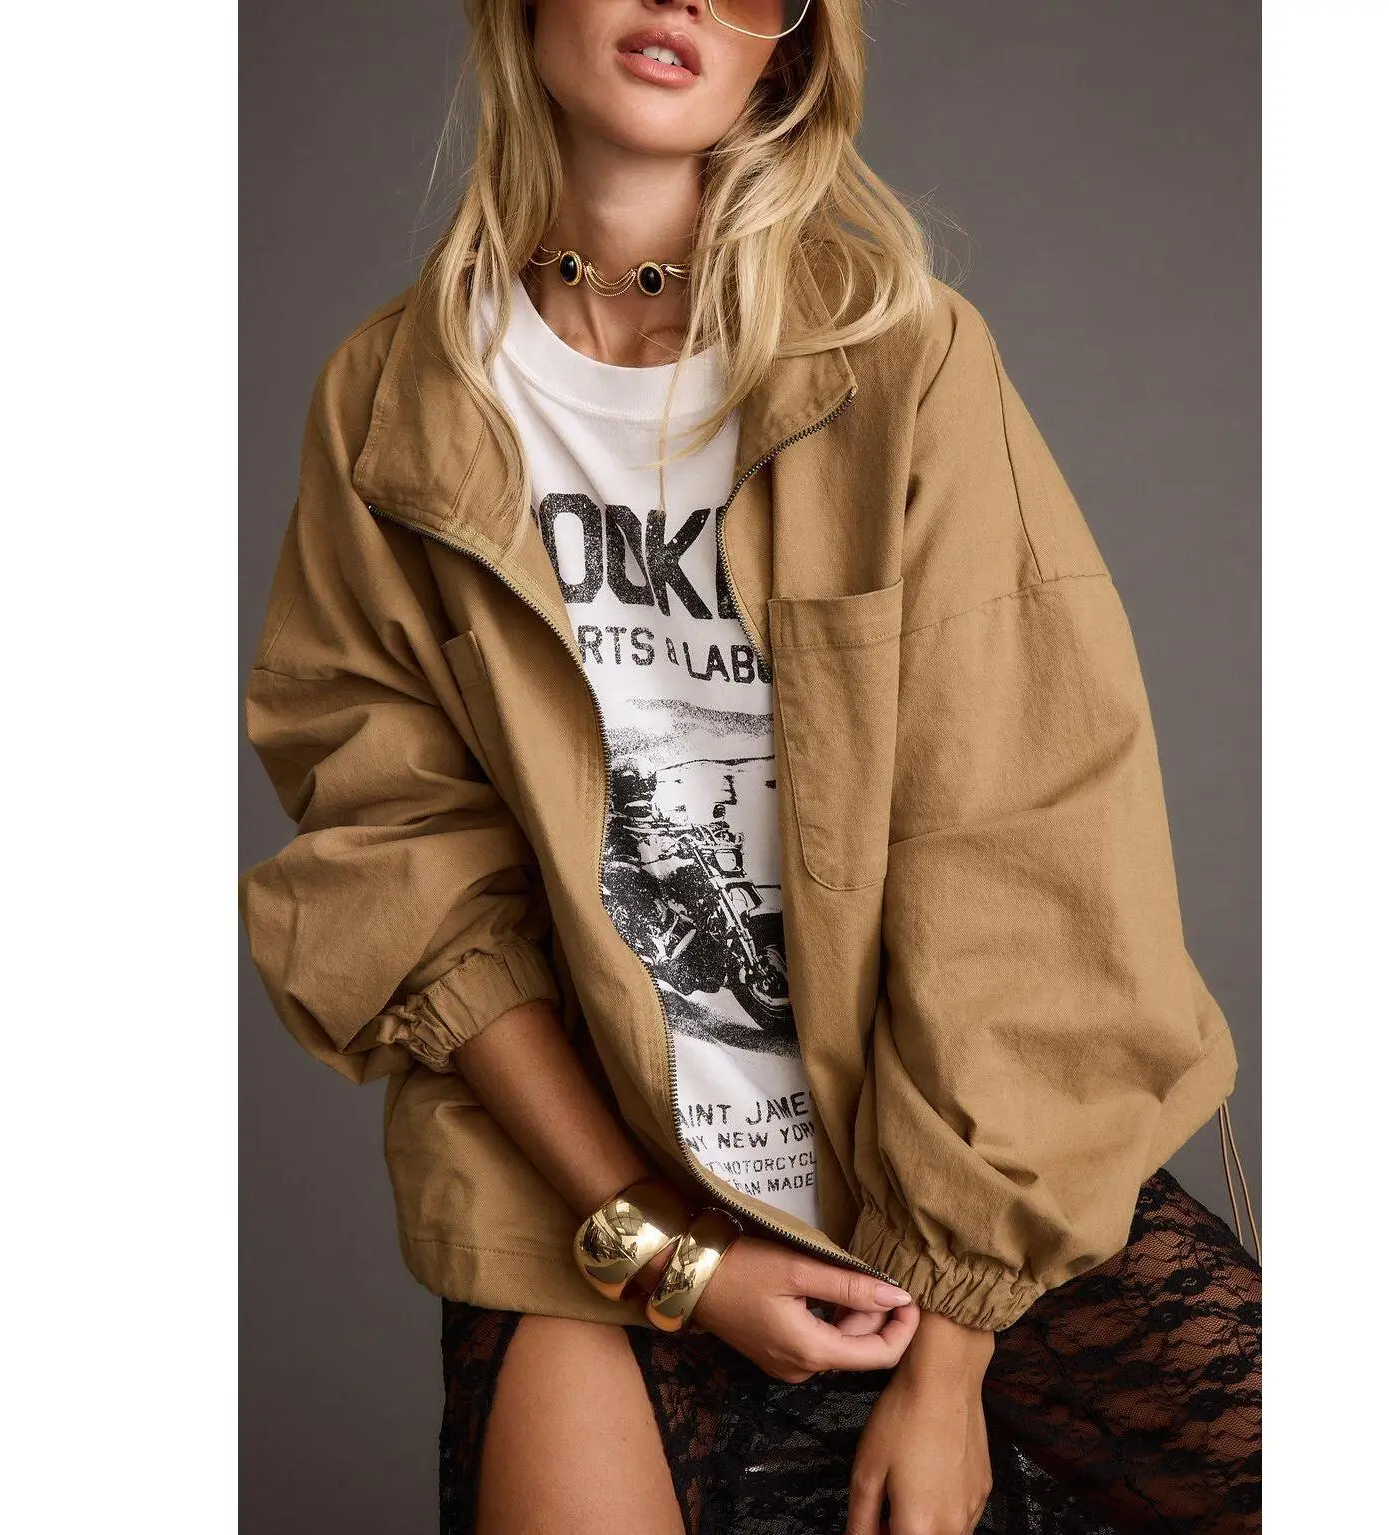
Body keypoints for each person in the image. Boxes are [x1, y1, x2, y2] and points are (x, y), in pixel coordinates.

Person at [240, 2, 1261, 1532]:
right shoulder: (397, 400)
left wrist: (949, 1353)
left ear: (784, 50)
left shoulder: (896, 357)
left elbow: (1022, 841)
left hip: (948, 1157)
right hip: (580, 1177)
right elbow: (403, 861)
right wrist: (660, 1245)